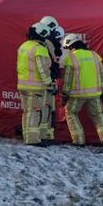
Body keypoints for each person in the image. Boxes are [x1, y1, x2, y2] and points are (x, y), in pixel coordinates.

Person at [60, 33, 103, 152]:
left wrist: (65, 94)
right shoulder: (94, 55)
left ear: (71, 46)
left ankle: (79, 141)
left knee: (71, 113)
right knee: (98, 117)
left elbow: (68, 79)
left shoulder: (71, 58)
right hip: (95, 94)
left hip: (77, 95)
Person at [16, 22, 53, 146]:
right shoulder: (40, 49)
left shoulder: (24, 46)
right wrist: (49, 83)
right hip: (35, 86)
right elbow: (43, 68)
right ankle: (32, 140)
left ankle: (27, 137)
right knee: (35, 112)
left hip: (22, 85)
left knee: (26, 111)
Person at [37, 16, 65, 144]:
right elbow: (49, 63)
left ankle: (47, 135)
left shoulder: (47, 42)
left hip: (47, 79)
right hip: (45, 80)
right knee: (46, 109)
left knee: (49, 109)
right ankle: (44, 136)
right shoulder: (46, 43)